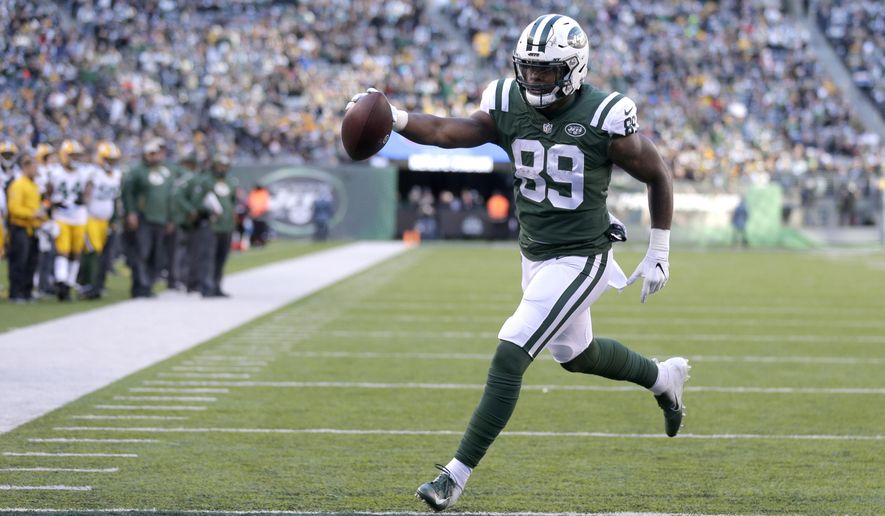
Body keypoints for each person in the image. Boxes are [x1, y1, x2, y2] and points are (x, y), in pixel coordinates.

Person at [347, 14, 688, 512]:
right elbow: (446, 131)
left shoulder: (604, 115)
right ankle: (663, 378)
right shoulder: (507, 103)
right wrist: (396, 119)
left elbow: (658, 174)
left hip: (581, 255)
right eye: (527, 70)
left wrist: (659, 249)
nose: (533, 80)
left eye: (545, 72)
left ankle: (454, 476)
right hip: (535, 252)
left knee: (511, 351)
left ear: (573, 69)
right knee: (577, 355)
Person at [121, 138, 174, 298]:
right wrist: (131, 212)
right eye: (152, 153)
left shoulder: (165, 172)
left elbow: (170, 197)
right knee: (142, 253)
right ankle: (139, 287)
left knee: (156, 256)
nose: (155, 156)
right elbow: (128, 194)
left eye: (157, 153)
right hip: (144, 218)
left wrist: (170, 218)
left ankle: (148, 285)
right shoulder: (137, 172)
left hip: (160, 218)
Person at [45, 139, 92, 301]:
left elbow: (88, 190)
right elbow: (46, 195)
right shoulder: (55, 173)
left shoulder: (84, 172)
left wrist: (84, 199)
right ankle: (61, 282)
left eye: (77, 156)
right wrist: (51, 204)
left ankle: (69, 282)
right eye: (72, 155)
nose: (75, 159)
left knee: (76, 252)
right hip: (61, 215)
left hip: (79, 216)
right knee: (62, 250)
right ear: (64, 156)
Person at [189, 153, 237, 298]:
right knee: (207, 257)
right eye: (220, 165)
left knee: (221, 257)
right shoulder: (205, 181)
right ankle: (206, 286)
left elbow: (232, 202)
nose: (223, 168)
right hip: (210, 224)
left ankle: (217, 286)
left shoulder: (230, 181)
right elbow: (196, 202)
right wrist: (208, 210)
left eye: (225, 166)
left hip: (226, 225)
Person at [79, 141, 123, 299]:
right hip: (91, 217)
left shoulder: (116, 175)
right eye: (108, 159)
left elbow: (116, 199)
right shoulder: (93, 174)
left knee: (104, 254)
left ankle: (98, 284)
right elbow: (85, 195)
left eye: (113, 160)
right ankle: (86, 285)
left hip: (106, 220)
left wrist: (116, 219)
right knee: (92, 251)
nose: (111, 163)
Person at [6, 152, 46, 302]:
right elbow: (14, 208)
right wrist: (32, 214)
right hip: (20, 227)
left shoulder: (33, 184)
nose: (36, 169)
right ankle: (16, 293)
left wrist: (42, 216)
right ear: (25, 167)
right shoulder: (18, 184)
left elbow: (37, 205)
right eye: (33, 166)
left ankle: (27, 292)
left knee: (32, 261)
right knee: (19, 261)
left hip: (33, 228)